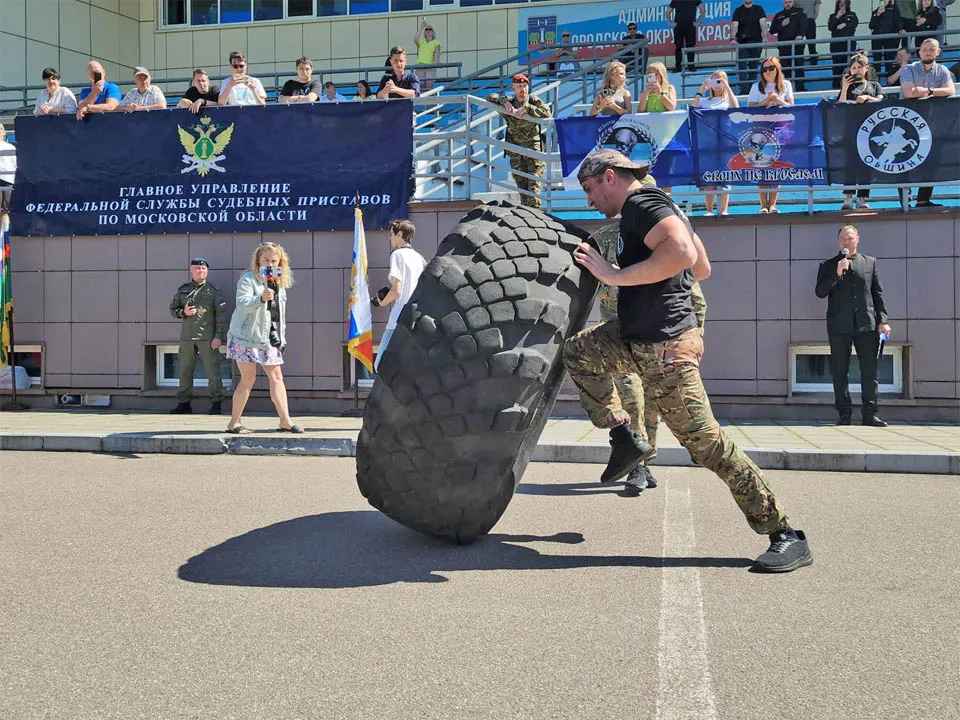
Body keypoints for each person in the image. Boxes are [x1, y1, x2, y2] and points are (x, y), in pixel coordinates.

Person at [564, 149, 812, 573]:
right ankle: (624, 437)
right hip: (635, 336)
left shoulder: (642, 203)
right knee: (578, 353)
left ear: (609, 178)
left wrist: (616, 276)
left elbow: (680, 252)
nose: (589, 201)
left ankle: (785, 533)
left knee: (707, 445)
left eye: (589, 190)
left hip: (663, 347)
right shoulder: (660, 207)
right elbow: (703, 268)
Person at [815, 225, 891, 427]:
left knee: (869, 371)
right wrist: (836, 274)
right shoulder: (828, 265)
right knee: (840, 371)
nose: (845, 242)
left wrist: (883, 321)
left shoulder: (870, 263)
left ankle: (870, 414)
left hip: (867, 325)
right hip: (839, 326)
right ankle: (844, 414)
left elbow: (878, 294)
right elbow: (820, 292)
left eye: (849, 238)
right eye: (841, 239)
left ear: (857, 239)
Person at [225, 242, 302, 435]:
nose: (270, 263)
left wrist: (281, 338)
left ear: (280, 263)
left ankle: (285, 420)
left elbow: (279, 314)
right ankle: (234, 423)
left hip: (269, 339)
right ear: (258, 261)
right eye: (265, 260)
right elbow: (242, 304)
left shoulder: (278, 282)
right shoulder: (248, 279)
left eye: (274, 260)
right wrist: (260, 298)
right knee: (248, 380)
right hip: (245, 337)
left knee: (277, 377)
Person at [900, 38, 956, 207]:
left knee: (931, 159)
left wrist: (928, 91)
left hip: (932, 123)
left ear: (938, 52)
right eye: (925, 49)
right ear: (919, 52)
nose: (928, 52)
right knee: (905, 159)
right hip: (908, 121)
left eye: (932, 49)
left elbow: (951, 90)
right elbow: (909, 93)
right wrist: (935, 93)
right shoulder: (909, 69)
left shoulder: (943, 70)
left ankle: (923, 200)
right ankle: (905, 201)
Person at [169, 258, 228, 415]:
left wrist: (218, 337)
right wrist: (184, 312)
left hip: (208, 338)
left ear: (207, 271)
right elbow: (173, 309)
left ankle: (216, 403)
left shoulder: (213, 291)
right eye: (197, 268)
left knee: (212, 371)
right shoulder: (183, 289)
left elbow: (222, 316)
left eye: (202, 268)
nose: (200, 271)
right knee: (185, 370)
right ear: (191, 270)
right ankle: (184, 403)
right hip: (187, 337)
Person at [487, 73, 552, 209]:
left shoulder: (533, 101)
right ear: (513, 88)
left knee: (534, 187)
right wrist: (504, 102)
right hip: (516, 151)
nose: (523, 90)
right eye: (519, 87)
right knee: (522, 189)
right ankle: (527, 215)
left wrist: (527, 109)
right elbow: (489, 97)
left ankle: (536, 217)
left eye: (525, 86)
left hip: (533, 150)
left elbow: (547, 112)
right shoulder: (509, 103)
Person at [372, 219, 427, 371]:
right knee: (409, 366)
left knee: (381, 365)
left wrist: (381, 302)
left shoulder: (397, 255)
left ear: (400, 234)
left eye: (391, 234)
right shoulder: (420, 258)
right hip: (417, 318)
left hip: (398, 318)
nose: (390, 238)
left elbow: (396, 290)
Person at [748, 57, 794, 213]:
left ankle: (773, 204)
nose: (768, 72)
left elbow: (791, 106)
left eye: (771, 68)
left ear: (777, 69)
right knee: (761, 165)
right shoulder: (756, 87)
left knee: (775, 166)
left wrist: (778, 100)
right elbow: (750, 107)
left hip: (780, 128)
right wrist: (767, 101)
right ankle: (763, 205)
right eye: (765, 69)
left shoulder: (786, 85)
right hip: (760, 128)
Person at [838, 54, 882, 210]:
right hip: (851, 130)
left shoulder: (874, 85)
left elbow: (881, 99)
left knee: (866, 164)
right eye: (853, 67)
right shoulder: (848, 86)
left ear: (866, 68)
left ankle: (862, 197)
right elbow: (841, 103)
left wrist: (867, 98)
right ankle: (848, 197)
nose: (856, 70)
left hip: (870, 131)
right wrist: (844, 87)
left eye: (859, 67)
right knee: (850, 164)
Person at [693, 71, 739, 216]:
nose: (717, 84)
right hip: (707, 141)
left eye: (719, 81)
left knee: (724, 175)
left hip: (725, 141)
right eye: (714, 81)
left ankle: (724, 209)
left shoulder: (727, 100)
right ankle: (709, 210)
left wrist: (728, 88)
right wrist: (701, 91)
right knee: (709, 175)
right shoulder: (705, 102)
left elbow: (736, 108)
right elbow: (693, 109)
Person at [770, 0, 810, 90]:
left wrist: (800, 35)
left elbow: (804, 25)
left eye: (790, 2)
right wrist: (782, 24)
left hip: (797, 45)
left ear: (793, 2)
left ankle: (800, 88)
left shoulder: (799, 11)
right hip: (784, 46)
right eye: (786, 2)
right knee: (785, 68)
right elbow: (772, 30)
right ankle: (786, 89)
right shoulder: (779, 15)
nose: (788, 4)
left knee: (799, 66)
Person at [732, 0, 769, 94]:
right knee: (742, 67)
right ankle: (744, 89)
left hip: (756, 41)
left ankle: (751, 89)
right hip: (742, 42)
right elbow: (735, 25)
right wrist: (733, 38)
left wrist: (764, 37)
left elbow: (763, 23)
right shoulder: (738, 10)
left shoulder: (758, 9)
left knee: (753, 66)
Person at [667, 0, 705, 72]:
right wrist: (670, 22)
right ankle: (678, 67)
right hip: (678, 27)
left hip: (690, 27)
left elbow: (702, 9)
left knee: (690, 47)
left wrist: (699, 21)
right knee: (678, 47)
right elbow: (668, 11)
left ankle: (691, 67)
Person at [828, 0, 860, 88]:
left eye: (844, 2)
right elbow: (831, 27)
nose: (842, 4)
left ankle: (849, 85)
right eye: (840, 3)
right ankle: (836, 86)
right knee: (837, 66)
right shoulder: (833, 16)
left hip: (849, 44)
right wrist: (837, 16)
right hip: (836, 45)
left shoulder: (852, 14)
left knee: (849, 65)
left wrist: (845, 24)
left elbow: (854, 23)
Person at [869, 0, 903, 80]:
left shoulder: (894, 9)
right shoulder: (876, 11)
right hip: (877, 39)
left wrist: (901, 29)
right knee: (877, 60)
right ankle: (876, 81)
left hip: (890, 39)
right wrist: (878, 14)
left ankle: (889, 80)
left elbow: (898, 21)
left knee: (889, 60)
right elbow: (871, 25)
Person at [793, 0, 822, 72]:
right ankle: (800, 62)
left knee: (811, 43)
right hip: (800, 22)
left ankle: (813, 62)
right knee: (799, 44)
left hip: (809, 21)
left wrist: (810, 19)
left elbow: (816, 12)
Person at [414, 20, 442, 90]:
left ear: (433, 33)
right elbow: (415, 39)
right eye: (426, 29)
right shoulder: (422, 43)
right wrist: (421, 27)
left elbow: (436, 53)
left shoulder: (436, 42)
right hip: (420, 66)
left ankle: (430, 101)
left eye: (430, 29)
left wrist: (436, 63)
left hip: (430, 67)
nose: (428, 30)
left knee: (429, 87)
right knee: (420, 87)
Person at [0, 124, 15, 214]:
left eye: (1, 128)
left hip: (8, 180)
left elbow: (15, 164)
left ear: (4, 131)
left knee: (11, 207)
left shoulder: (10, 147)